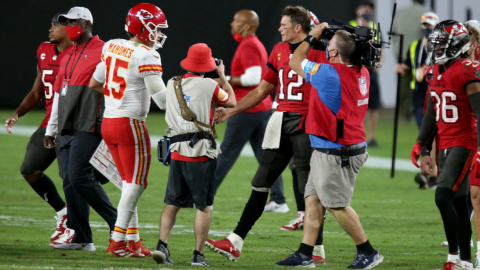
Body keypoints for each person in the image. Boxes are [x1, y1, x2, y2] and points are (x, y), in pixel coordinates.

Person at [205, 6, 328, 264]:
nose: (279, 29)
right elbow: (262, 89)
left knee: (309, 193)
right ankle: (235, 241)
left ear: (299, 28)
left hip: (307, 124)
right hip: (281, 120)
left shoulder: (322, 51)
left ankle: (316, 250)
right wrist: (231, 111)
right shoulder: (279, 49)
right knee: (260, 182)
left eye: (284, 25)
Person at [275, 23, 383, 269]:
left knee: (336, 205)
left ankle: (368, 251)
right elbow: (351, 50)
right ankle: (305, 254)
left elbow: (294, 61)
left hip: (336, 151)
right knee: (312, 200)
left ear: (334, 53)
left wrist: (312, 37)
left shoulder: (329, 74)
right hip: (335, 146)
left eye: (330, 45)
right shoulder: (361, 70)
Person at [88, 3, 168, 258]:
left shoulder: (110, 45)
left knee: (128, 185)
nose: (158, 35)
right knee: (136, 184)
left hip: (109, 122)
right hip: (130, 124)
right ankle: (117, 240)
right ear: (143, 28)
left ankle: (132, 241)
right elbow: (163, 100)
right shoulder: (147, 54)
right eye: (155, 29)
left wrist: (119, 96)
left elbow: (95, 83)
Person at [153, 43, 236, 266]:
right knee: (203, 206)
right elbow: (231, 100)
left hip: (176, 151)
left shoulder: (172, 82)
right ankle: (198, 255)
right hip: (200, 153)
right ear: (207, 65)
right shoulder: (209, 84)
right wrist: (222, 75)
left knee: (172, 203)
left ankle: (162, 245)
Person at [44, 6, 117, 251]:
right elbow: (59, 94)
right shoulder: (67, 55)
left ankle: (120, 225)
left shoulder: (106, 50)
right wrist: (51, 129)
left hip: (91, 122)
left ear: (85, 24)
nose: (69, 26)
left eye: (73, 22)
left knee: (78, 176)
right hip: (67, 125)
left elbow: (119, 83)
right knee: (68, 180)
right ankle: (82, 238)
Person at [411, 20, 480, 270]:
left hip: (466, 140)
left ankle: (453, 257)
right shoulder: (434, 71)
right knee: (460, 204)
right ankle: (464, 261)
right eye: (436, 44)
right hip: (445, 141)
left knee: (443, 196)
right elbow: (431, 111)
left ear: (458, 46)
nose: (437, 49)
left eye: (442, 45)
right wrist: (423, 145)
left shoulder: (468, 69)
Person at [4, 13, 73, 245]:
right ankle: (64, 213)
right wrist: (17, 113)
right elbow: (37, 91)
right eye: (51, 24)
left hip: (75, 126)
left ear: (71, 29)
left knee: (75, 180)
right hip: (49, 123)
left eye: (56, 26)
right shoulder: (44, 50)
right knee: (30, 170)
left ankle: (84, 227)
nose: (51, 29)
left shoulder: (82, 53)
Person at [214, 10, 287, 213]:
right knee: (266, 156)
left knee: (226, 153)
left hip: (248, 109)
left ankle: (204, 193)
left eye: (236, 21)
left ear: (247, 26)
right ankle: (279, 199)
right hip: (260, 108)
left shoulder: (249, 45)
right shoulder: (253, 44)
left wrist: (225, 79)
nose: (232, 24)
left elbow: (254, 78)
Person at [396, 12, 440, 189]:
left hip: (434, 93)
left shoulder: (439, 46)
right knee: (425, 133)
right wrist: (402, 68)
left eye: (430, 26)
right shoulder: (415, 46)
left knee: (432, 133)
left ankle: (430, 173)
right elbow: (409, 65)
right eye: (424, 26)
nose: (426, 29)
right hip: (419, 95)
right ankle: (430, 172)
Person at [349, 0, 383, 147]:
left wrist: (378, 63)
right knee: (355, 102)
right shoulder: (350, 25)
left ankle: (371, 137)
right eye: (364, 8)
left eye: (370, 9)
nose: (367, 12)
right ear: (358, 11)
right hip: (354, 71)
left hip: (370, 71)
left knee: (373, 105)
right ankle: (355, 134)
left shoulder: (375, 28)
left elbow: (381, 51)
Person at [392, 0, 431, 122]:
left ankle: (406, 114)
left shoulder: (400, 12)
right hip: (419, 56)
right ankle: (422, 112)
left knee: (403, 88)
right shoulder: (425, 12)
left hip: (402, 54)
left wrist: (398, 51)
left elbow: (394, 34)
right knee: (421, 85)